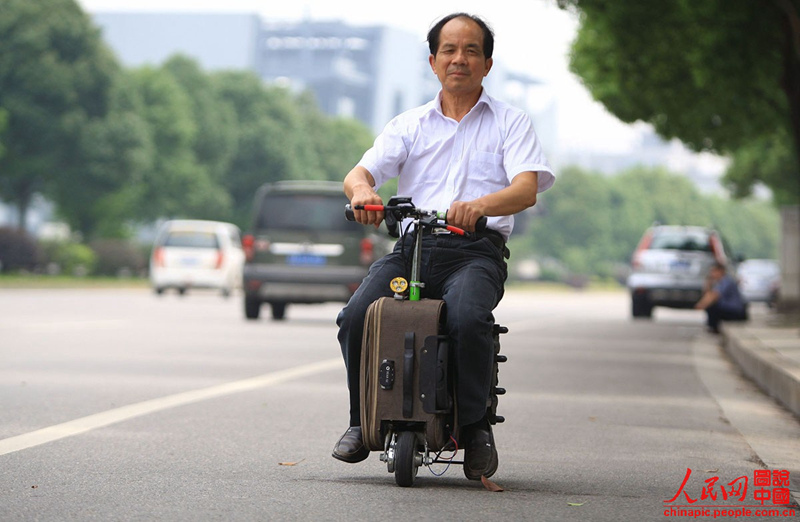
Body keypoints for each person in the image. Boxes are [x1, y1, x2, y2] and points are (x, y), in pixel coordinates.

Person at [332, 12, 555, 480]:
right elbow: (361, 173)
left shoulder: (510, 123)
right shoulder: (409, 124)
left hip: (476, 251)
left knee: (469, 316)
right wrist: (363, 193)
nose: (460, 59)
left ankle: (475, 429)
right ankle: (359, 420)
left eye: (471, 50)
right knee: (356, 315)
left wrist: (480, 205)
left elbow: (527, 188)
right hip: (413, 249)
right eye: (449, 50)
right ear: (433, 62)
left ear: (487, 63)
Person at [694, 262, 748, 333]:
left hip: (736, 312)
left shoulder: (726, 281)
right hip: (729, 310)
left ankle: (714, 327)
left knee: (712, 307)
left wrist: (701, 305)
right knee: (712, 307)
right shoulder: (719, 282)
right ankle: (713, 326)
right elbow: (708, 294)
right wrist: (708, 283)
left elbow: (714, 296)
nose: (712, 274)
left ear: (720, 271)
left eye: (713, 271)